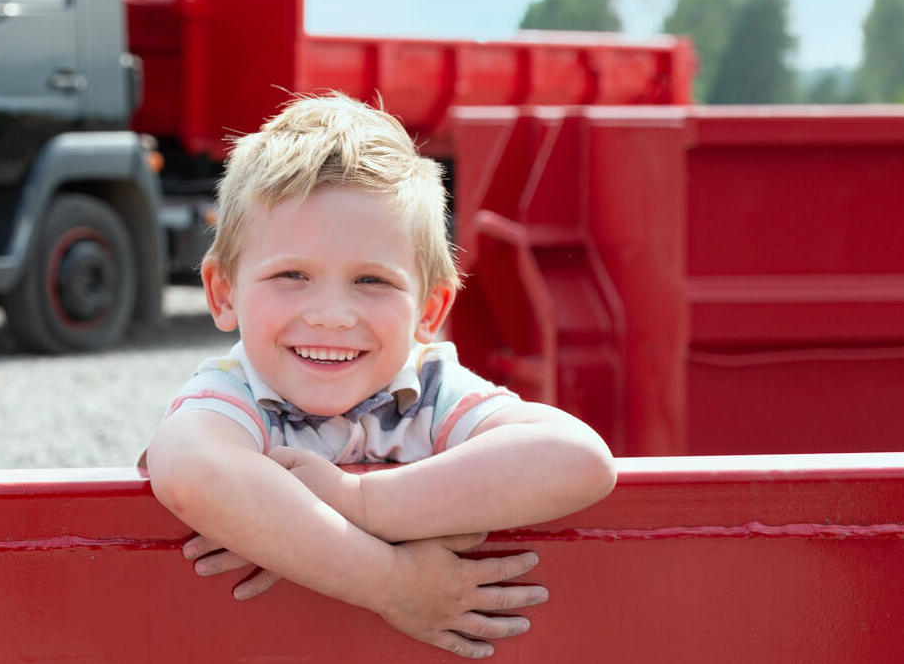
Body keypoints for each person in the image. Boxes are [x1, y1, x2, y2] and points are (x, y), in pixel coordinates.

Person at [143, 93, 616, 660]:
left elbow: (579, 459)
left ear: (430, 311)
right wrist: (395, 584)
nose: (332, 315)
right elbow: (193, 473)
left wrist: (357, 501)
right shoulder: (233, 392)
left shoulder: (431, 390)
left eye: (372, 281)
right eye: (292, 274)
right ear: (224, 294)